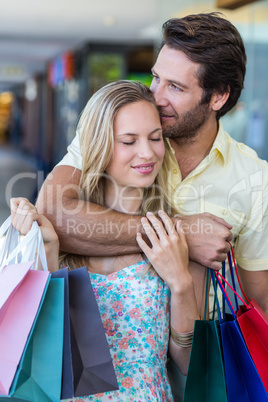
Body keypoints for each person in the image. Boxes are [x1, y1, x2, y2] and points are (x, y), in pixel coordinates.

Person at [36, 12, 268, 315]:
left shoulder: (255, 178)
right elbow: (53, 212)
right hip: (104, 342)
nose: (155, 96)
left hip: (200, 348)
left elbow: (257, 295)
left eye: (175, 87)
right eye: (157, 77)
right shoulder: (117, 131)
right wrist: (180, 233)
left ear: (219, 97)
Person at [11, 80, 206, 401]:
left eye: (155, 138)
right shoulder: (61, 234)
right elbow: (42, 353)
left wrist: (181, 284)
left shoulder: (174, 233)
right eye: (129, 141)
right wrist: (43, 249)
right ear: (98, 145)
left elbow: (189, 365)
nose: (147, 153)